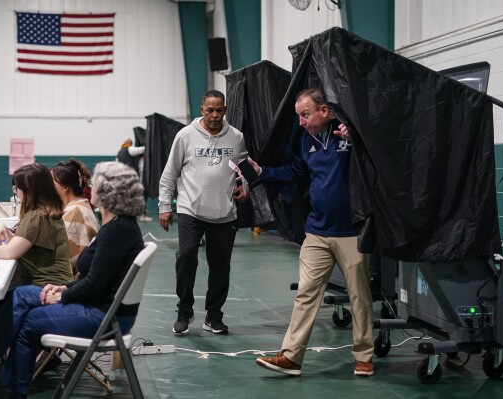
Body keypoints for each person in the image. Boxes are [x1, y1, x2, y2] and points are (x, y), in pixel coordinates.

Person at [0, 162, 146, 397]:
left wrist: (63, 294)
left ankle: (10, 385)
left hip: (104, 316)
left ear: (109, 193)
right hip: (99, 306)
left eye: (95, 184)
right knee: (22, 295)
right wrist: (64, 287)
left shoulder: (118, 230)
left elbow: (95, 284)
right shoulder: (115, 227)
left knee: (29, 320)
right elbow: (93, 278)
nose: (90, 188)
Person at [251, 88, 374, 376]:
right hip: (317, 231)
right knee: (306, 293)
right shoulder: (307, 142)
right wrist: (262, 172)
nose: (301, 122)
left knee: (359, 296)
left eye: (305, 115)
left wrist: (355, 142)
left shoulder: (347, 133)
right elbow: (295, 173)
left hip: (351, 232)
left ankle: (365, 356)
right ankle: (291, 358)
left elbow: (376, 162)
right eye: (298, 116)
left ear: (324, 111)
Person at [158, 89, 249, 336]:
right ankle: (184, 309)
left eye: (219, 110)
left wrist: (245, 186)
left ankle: (214, 316)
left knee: (220, 266)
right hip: (191, 208)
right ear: (202, 110)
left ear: (225, 110)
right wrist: (165, 206)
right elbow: (170, 173)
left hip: (224, 212)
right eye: (210, 110)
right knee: (186, 255)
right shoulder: (185, 136)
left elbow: (243, 169)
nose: (215, 115)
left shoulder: (236, 137)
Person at [0, 163, 74, 327]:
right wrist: (4, 229)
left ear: (27, 190)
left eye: (17, 188)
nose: (16, 193)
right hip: (59, 284)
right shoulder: (48, 212)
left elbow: (10, 253)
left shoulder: (35, 217)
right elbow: (30, 243)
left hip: (45, 286)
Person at [51, 158, 100, 275]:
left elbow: (59, 261)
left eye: (51, 182)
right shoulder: (79, 205)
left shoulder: (75, 213)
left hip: (68, 282)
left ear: (65, 187)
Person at [117, 138, 152, 222]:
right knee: (140, 196)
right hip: (132, 178)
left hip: (123, 178)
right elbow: (143, 149)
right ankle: (142, 215)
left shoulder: (119, 152)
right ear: (129, 143)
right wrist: (150, 145)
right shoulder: (129, 149)